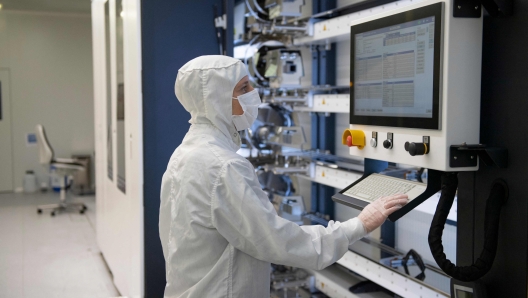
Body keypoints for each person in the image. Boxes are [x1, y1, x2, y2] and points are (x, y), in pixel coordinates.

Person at [159, 55, 408, 298]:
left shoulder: (183, 156)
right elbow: (278, 241)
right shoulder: (224, 166)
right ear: (216, 99)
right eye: (244, 87)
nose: (253, 92)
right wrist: (359, 225)